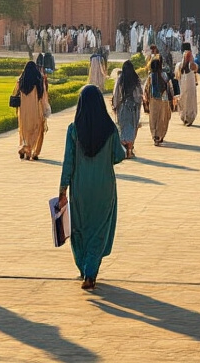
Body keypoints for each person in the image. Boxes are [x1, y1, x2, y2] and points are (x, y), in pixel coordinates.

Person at [58, 85, 126, 290]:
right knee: (99, 229)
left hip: (80, 188)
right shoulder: (109, 129)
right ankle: (91, 271)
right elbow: (119, 155)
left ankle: (84, 267)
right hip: (104, 187)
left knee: (79, 229)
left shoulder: (74, 130)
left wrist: (62, 190)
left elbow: (68, 162)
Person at [15, 60, 49, 160]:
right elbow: (43, 96)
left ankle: (24, 148)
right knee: (36, 129)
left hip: (23, 110)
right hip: (35, 109)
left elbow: (15, 94)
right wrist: (44, 109)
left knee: (24, 130)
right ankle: (33, 151)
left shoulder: (21, 81)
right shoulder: (38, 80)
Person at [111, 59, 144, 158]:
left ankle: (124, 150)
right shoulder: (136, 79)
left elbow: (116, 93)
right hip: (134, 108)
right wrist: (139, 105)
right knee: (132, 128)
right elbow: (139, 95)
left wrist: (115, 105)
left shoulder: (121, 79)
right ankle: (130, 150)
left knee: (124, 128)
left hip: (123, 107)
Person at [145, 57, 174, 146]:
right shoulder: (164, 75)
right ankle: (160, 135)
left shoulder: (150, 76)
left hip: (153, 100)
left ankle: (155, 135)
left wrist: (146, 100)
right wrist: (172, 98)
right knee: (163, 118)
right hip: (164, 100)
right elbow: (170, 87)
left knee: (153, 118)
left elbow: (146, 89)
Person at [176, 43, 199, 126]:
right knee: (184, 101)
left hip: (189, 87)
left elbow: (194, 68)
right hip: (184, 87)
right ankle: (185, 118)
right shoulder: (180, 65)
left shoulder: (192, 64)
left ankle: (189, 119)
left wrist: (191, 60)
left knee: (189, 102)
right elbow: (178, 75)